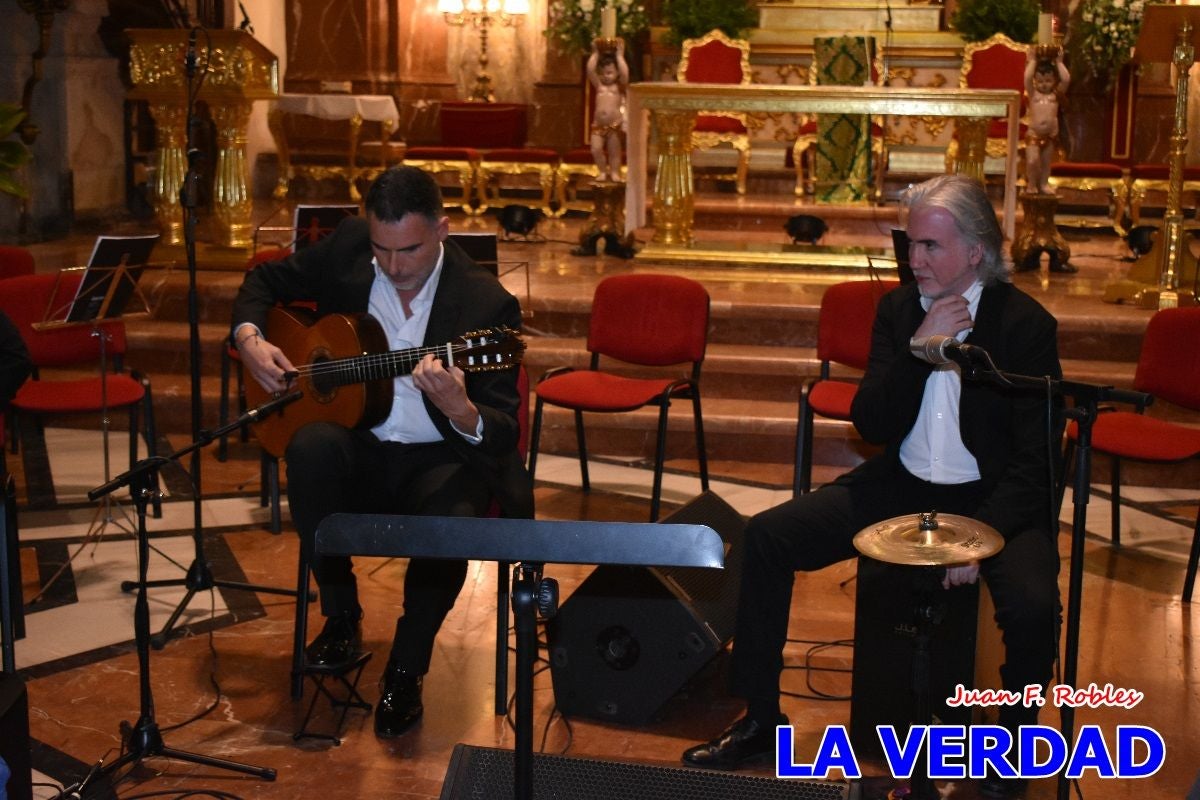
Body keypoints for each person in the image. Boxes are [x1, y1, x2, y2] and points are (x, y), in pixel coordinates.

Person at [681, 174, 1062, 800]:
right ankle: (757, 718)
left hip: (991, 498)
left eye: (931, 247)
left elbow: (1036, 460)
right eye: (909, 245)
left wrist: (981, 537)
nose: (914, 260)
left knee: (1032, 604)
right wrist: (918, 351)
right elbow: (872, 421)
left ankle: (1015, 749)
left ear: (977, 251)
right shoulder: (896, 310)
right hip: (903, 483)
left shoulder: (1024, 326)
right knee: (769, 537)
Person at [231, 165, 532, 740]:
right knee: (311, 445)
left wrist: (460, 408)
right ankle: (340, 614)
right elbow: (262, 285)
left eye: (410, 250)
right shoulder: (347, 249)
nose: (394, 268)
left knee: (453, 520)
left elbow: (502, 431)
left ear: (443, 229)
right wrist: (250, 340)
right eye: (381, 251)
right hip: (361, 448)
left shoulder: (485, 305)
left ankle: (406, 667)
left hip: (439, 459)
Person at [1024, 46, 1069, 195]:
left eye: (1048, 80)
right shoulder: (1033, 94)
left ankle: (1043, 184)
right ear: (1036, 81)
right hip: (1034, 134)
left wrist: (1059, 62)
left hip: (1049, 136)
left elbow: (1066, 79)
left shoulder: (1055, 95)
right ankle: (1031, 184)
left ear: (1054, 80)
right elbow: (1027, 78)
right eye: (1041, 80)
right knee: (1033, 160)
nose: (1044, 84)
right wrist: (1032, 61)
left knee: (1046, 163)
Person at [586, 37, 629, 182]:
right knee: (596, 149)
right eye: (603, 73)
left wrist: (619, 56)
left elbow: (625, 74)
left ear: (616, 73)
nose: (606, 76)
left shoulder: (618, 87)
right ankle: (603, 171)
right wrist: (595, 53)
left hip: (614, 125)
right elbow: (590, 70)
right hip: (598, 125)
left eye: (610, 72)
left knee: (614, 151)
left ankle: (615, 172)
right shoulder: (599, 86)